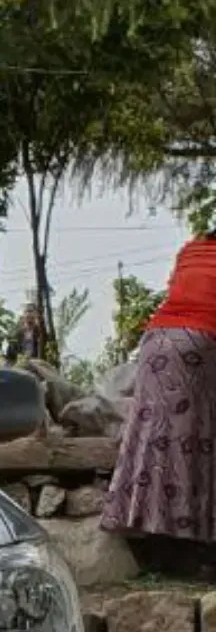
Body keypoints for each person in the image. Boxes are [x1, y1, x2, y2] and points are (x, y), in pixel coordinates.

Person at [102, 235, 216, 562]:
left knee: (153, 437)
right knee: (197, 439)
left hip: (156, 340)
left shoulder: (192, 249)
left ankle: (149, 535)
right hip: (199, 341)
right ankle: (195, 543)